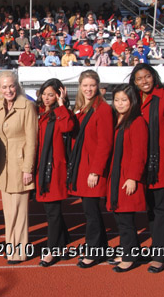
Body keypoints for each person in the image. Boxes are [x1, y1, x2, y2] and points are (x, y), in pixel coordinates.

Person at [129, 64, 164, 273]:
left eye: (147, 76)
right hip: (142, 164)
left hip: (161, 164)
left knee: (160, 209)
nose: (144, 81)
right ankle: (163, 245)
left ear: (154, 76)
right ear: (134, 82)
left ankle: (159, 254)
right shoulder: (135, 99)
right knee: (151, 208)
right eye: (139, 79)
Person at [67, 70, 113, 269]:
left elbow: (105, 143)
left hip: (91, 169)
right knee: (91, 211)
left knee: (91, 212)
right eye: (85, 85)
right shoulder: (82, 108)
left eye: (92, 85)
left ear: (98, 86)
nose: (88, 89)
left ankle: (93, 251)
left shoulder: (102, 109)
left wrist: (95, 171)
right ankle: (100, 248)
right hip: (82, 167)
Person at [0, 71, 37, 264]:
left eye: (11, 86)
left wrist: (28, 168)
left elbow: (32, 139)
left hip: (20, 166)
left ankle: (19, 251)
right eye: (4, 87)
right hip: (2, 166)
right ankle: (11, 247)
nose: (8, 90)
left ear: (17, 86)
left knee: (20, 212)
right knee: (8, 212)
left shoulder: (27, 106)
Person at [106, 84, 148, 273]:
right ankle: (127, 251)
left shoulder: (137, 121)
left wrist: (132, 177)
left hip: (126, 176)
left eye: (124, 100)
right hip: (116, 175)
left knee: (125, 219)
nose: (120, 103)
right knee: (119, 216)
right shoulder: (118, 120)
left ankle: (130, 257)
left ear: (132, 101)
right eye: (116, 100)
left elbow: (139, 152)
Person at [35, 79, 74, 267]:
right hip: (41, 167)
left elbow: (67, 127)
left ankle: (52, 250)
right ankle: (63, 242)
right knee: (51, 210)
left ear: (59, 95)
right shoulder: (39, 113)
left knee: (53, 211)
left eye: (52, 94)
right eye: (45, 94)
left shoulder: (61, 114)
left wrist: (60, 105)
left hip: (55, 168)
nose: (47, 97)